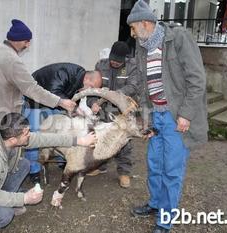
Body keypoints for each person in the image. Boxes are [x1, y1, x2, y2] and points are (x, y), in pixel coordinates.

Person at [126, 1, 208, 232]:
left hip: (175, 116)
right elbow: (143, 86)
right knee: (154, 164)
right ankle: (155, 203)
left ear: (145, 23)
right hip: (156, 115)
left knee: (172, 170)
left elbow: (196, 80)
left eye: (133, 28)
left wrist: (186, 114)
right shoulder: (142, 47)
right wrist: (146, 117)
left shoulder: (178, 38)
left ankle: (165, 219)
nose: (131, 34)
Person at [0, 112, 97, 233]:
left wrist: (79, 141)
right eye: (26, 133)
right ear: (13, 139)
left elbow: (44, 139)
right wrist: (23, 199)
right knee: (4, 216)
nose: (29, 135)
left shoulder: (5, 135)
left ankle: (6, 200)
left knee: (24, 164)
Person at [0, 19, 76, 125]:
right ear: (16, 40)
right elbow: (32, 89)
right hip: (4, 118)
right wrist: (61, 102)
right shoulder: (13, 61)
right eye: (26, 41)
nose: (27, 45)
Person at [24, 62, 103, 183]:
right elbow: (53, 92)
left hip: (54, 102)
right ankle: (34, 170)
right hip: (35, 100)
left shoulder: (80, 79)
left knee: (63, 128)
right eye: (91, 87)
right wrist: (74, 108)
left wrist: (74, 109)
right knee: (34, 134)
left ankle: (62, 160)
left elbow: (65, 97)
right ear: (87, 78)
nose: (90, 90)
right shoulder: (64, 73)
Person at [87, 41, 139, 189]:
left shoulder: (132, 67)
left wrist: (114, 95)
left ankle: (124, 172)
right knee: (101, 139)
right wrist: (93, 103)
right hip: (103, 110)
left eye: (118, 62)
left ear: (125, 59)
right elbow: (93, 87)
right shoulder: (101, 65)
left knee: (124, 142)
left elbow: (133, 87)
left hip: (123, 111)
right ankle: (100, 165)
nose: (114, 63)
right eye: (112, 60)